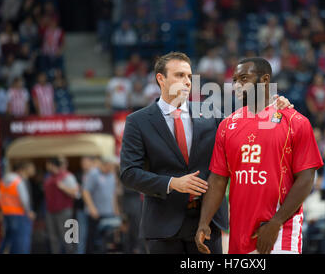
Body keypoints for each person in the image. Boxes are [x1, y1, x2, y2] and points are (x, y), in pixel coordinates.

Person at [119, 51, 294, 254]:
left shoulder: (211, 113)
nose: (186, 81)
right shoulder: (137, 121)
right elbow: (129, 173)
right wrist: (172, 183)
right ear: (161, 79)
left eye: (189, 76)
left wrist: (274, 110)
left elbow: (249, 137)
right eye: (179, 75)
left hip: (208, 223)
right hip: (162, 224)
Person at [195, 57, 323, 254]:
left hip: (281, 230)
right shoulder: (227, 125)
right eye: (235, 80)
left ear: (265, 80)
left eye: (244, 78)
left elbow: (306, 178)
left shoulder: (295, 122)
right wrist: (204, 222)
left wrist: (276, 223)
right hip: (239, 232)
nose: (237, 85)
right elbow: (218, 179)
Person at [83, 156, 120, 253]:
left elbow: (113, 193)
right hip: (96, 214)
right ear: (106, 164)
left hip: (109, 213)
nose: (113, 168)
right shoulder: (93, 174)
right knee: (93, 240)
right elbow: (86, 192)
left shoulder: (112, 175)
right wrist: (92, 208)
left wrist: (116, 209)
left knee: (107, 241)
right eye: (111, 166)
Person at [43, 157, 79, 254]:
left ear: (52, 165)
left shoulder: (67, 176)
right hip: (51, 211)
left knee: (67, 237)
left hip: (64, 211)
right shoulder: (49, 177)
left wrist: (62, 187)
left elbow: (75, 193)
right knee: (53, 238)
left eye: (48, 164)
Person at [0, 161, 36, 254]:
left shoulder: (4, 181)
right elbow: (24, 199)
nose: (33, 170)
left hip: (7, 213)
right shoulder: (18, 181)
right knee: (22, 240)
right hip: (20, 214)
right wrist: (29, 212)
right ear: (23, 169)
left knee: (9, 238)